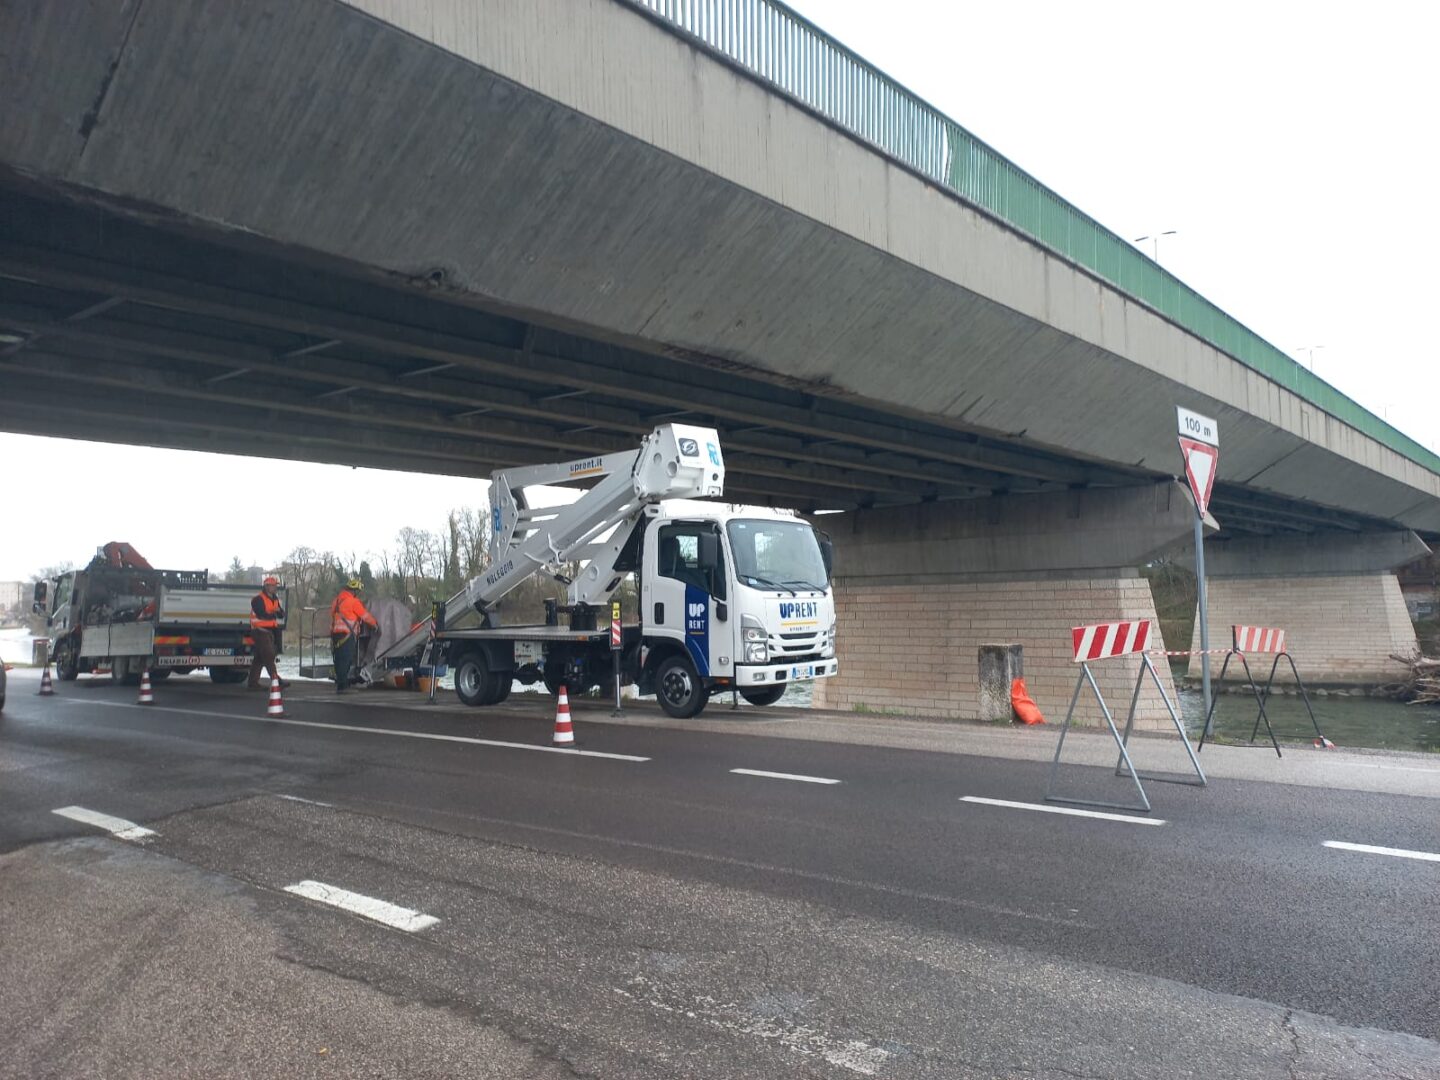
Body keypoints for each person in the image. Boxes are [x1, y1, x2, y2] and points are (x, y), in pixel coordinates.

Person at [330, 577, 378, 693]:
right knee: (346, 660)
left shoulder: (336, 601)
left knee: (338, 659)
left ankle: (340, 684)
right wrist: (375, 624)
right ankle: (343, 686)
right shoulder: (353, 602)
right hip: (347, 635)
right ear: (354, 591)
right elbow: (364, 615)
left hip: (335, 635)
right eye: (357, 592)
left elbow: (332, 616)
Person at [248, 576, 286, 690]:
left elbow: (281, 614)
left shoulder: (275, 599)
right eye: (273, 586)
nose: (275, 588)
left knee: (259, 658)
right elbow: (261, 614)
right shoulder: (258, 599)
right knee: (269, 656)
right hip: (259, 631)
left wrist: (277, 613)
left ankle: (253, 683)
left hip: (270, 632)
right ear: (267, 586)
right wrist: (274, 613)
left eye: (276, 586)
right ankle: (276, 680)